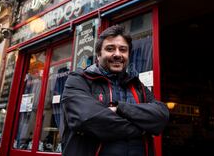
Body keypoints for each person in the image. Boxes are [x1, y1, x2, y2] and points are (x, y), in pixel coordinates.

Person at [61, 25, 169, 155]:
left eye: (123, 50)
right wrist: (142, 129)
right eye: (110, 49)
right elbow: (88, 119)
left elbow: (161, 116)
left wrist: (119, 108)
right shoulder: (79, 80)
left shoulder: (137, 85)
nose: (117, 54)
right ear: (99, 54)